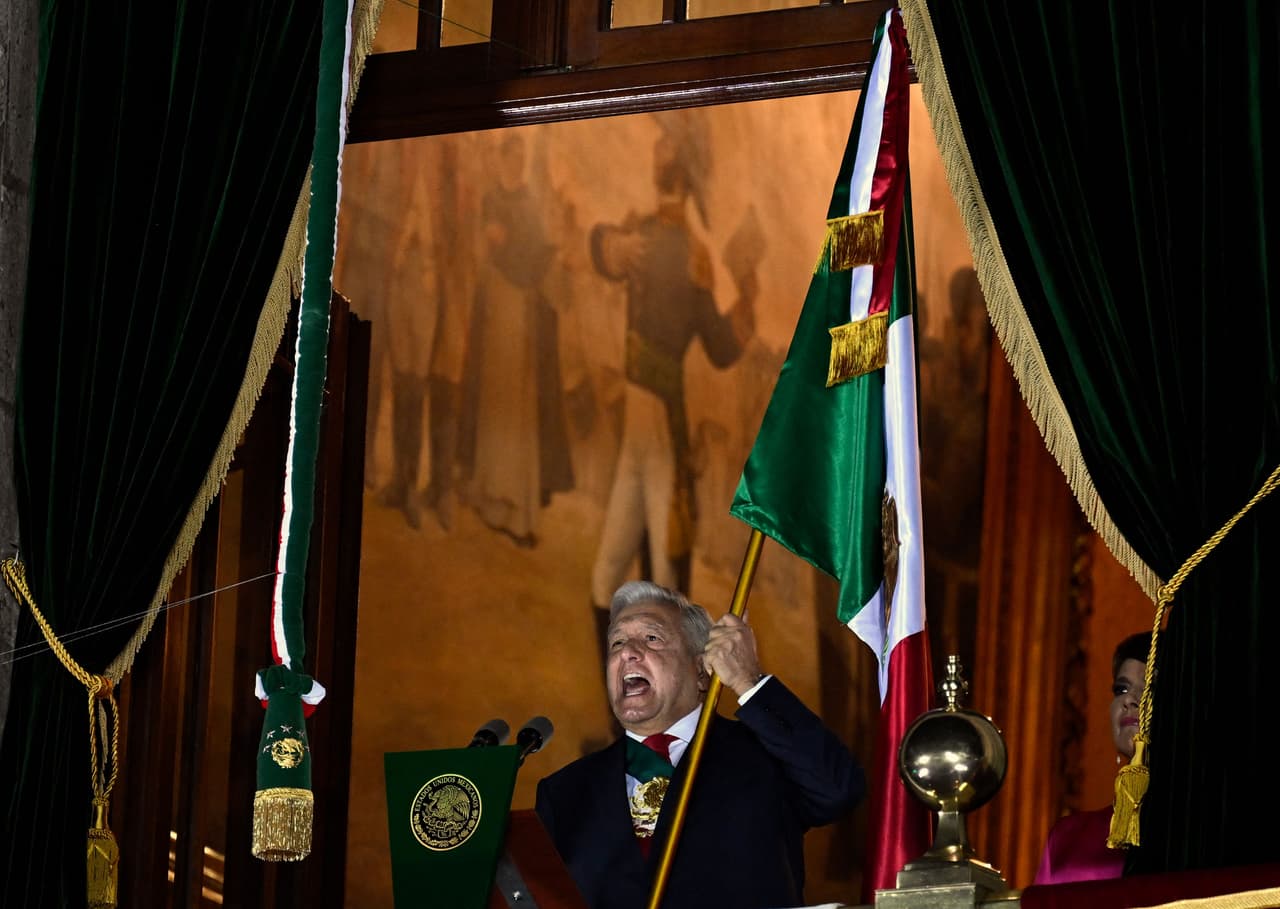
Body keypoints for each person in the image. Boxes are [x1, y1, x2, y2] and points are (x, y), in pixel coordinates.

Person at [535, 581, 864, 909]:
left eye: (652, 638)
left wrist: (748, 680)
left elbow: (838, 788)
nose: (627, 652)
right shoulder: (564, 793)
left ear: (701, 671)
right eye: (617, 642)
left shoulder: (766, 755)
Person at [587, 116, 758, 633]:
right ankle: (622, 691)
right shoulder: (648, 235)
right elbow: (604, 249)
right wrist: (607, 244)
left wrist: (747, 289)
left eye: (667, 143)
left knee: (663, 584)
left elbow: (721, 348)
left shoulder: (686, 254)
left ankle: (664, 689)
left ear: (678, 166)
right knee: (606, 578)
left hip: (662, 424)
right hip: (640, 429)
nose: (658, 147)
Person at [1032, 631, 1149, 885]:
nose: (1129, 699)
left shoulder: (1208, 830)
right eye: (1121, 689)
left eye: (1150, 686)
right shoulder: (1067, 838)